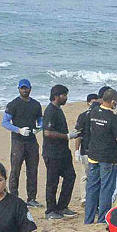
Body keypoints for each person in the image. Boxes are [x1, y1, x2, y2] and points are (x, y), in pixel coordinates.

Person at [83, 87, 117, 224]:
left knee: (92, 187)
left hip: (93, 155)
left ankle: (88, 219)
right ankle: (102, 218)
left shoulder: (94, 112)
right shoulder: (112, 118)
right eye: (116, 101)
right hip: (108, 157)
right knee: (106, 188)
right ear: (112, 102)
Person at [3, 80, 43, 207]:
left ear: (30, 89)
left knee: (32, 170)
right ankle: (13, 198)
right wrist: (18, 130)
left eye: (26, 88)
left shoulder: (36, 105)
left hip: (32, 141)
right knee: (15, 170)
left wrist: (38, 128)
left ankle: (31, 198)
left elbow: (40, 120)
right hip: (17, 141)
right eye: (22, 88)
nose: (24, 90)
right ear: (18, 89)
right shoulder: (13, 104)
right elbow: (5, 122)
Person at [41, 84, 76, 219]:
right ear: (56, 96)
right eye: (63, 95)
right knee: (52, 181)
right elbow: (48, 133)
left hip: (63, 152)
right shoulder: (50, 111)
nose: (66, 98)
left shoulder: (59, 110)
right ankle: (50, 210)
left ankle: (62, 206)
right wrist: (67, 136)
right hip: (52, 153)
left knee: (70, 176)